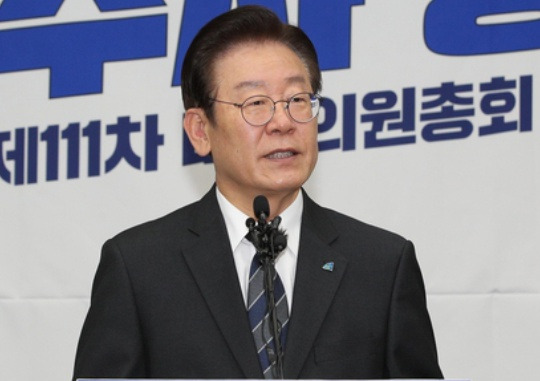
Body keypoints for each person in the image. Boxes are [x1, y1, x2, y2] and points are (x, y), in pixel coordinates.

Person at [73, 5, 443, 380]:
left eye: (298, 100)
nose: (283, 122)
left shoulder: (382, 265)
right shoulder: (139, 268)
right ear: (200, 130)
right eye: (256, 104)